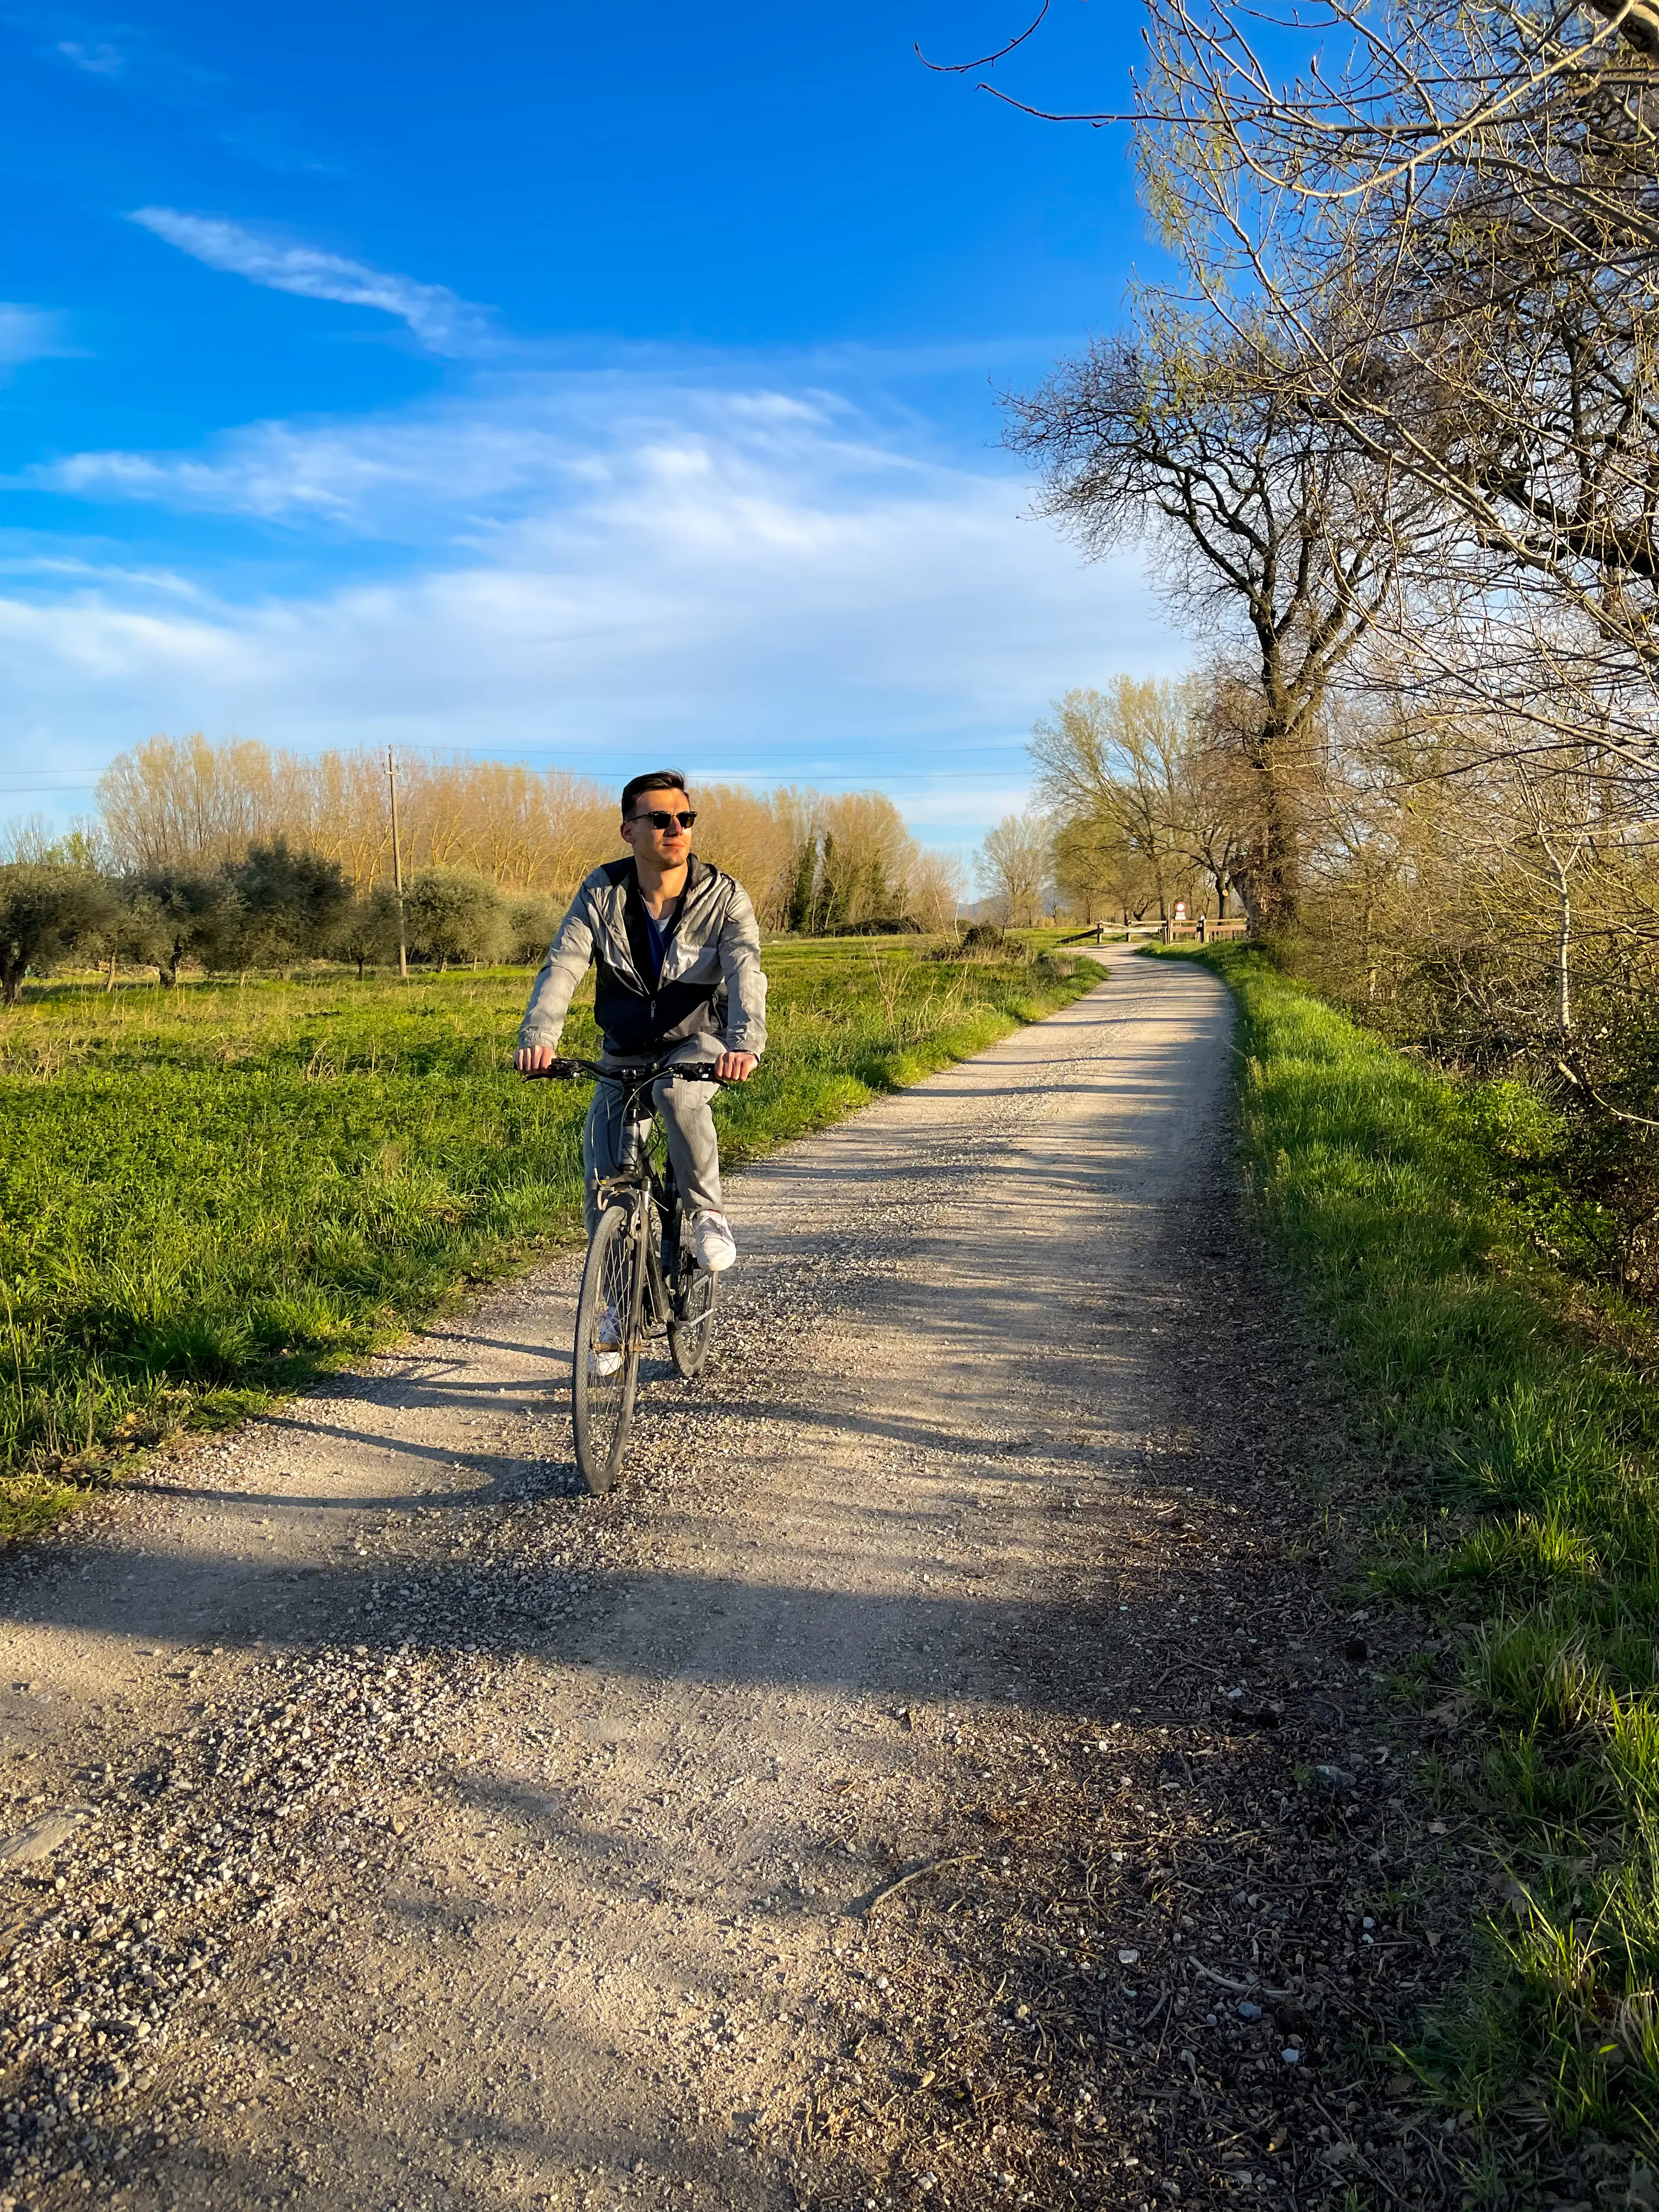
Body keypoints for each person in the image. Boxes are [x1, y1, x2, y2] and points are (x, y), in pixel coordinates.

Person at [515, 770, 766, 1280]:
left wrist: (744, 1045)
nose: (675, 828)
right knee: (605, 1184)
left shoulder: (724, 896)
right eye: (659, 818)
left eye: (684, 818)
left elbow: (746, 970)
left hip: (698, 1044)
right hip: (625, 1050)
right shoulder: (601, 892)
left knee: (677, 1095)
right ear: (629, 830)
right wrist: (539, 1039)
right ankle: (614, 1305)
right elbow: (564, 966)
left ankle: (706, 1213)